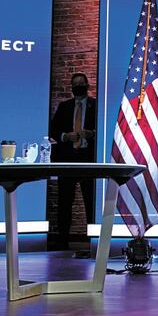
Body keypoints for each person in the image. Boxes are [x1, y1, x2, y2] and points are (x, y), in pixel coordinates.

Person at [49, 73, 97, 250]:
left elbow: (104, 129)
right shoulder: (64, 106)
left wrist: (92, 134)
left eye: (81, 83)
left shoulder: (96, 106)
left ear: (87, 85)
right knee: (64, 202)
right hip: (67, 159)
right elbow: (53, 130)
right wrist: (64, 136)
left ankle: (94, 241)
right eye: (75, 84)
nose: (78, 86)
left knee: (90, 201)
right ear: (71, 87)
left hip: (88, 160)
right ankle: (62, 241)